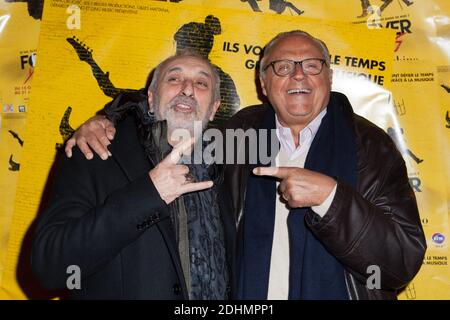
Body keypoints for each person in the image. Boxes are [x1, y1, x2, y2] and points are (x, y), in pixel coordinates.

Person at [66, 30, 426, 300]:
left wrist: (332, 199)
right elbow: (168, 106)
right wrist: (107, 117)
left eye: (312, 65)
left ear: (328, 78)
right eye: (283, 67)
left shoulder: (371, 146)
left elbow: (399, 264)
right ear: (264, 84)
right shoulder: (238, 134)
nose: (298, 75)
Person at [31, 51, 234, 299]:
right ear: (150, 98)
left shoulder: (226, 173)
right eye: (174, 79)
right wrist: (149, 193)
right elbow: (50, 266)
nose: (188, 89)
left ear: (214, 109)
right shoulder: (95, 151)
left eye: (201, 83)